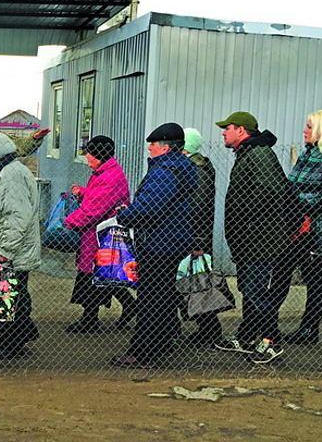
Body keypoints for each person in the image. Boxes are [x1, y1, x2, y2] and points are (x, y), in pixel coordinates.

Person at [111, 123, 196, 369]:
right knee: (163, 294)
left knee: (150, 298)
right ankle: (162, 341)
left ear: (165, 147)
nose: (149, 148)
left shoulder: (165, 171)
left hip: (159, 242)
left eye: (153, 144)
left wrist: (126, 216)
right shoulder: (184, 168)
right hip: (173, 240)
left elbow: (150, 207)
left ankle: (142, 351)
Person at [214, 111, 291, 365]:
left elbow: (269, 192)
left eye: (228, 128)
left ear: (242, 130)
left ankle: (271, 341)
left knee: (257, 291)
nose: (224, 132)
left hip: (259, 240)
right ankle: (248, 338)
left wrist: (245, 219)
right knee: (250, 289)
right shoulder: (249, 152)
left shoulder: (258, 154)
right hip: (251, 239)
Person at [271, 110, 322, 345]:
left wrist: (299, 204)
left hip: (318, 231)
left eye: (309, 126)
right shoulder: (307, 155)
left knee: (315, 280)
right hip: (295, 228)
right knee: (281, 274)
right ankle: (267, 322)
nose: (304, 130)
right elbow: (291, 188)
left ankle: (309, 329)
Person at [62, 135, 134, 333]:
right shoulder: (106, 172)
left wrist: (68, 222)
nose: (86, 157)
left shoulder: (107, 177)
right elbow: (100, 199)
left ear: (98, 155)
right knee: (104, 275)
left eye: (89, 153)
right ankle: (127, 306)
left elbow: (94, 210)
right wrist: (84, 192)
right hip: (100, 233)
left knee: (94, 276)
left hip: (99, 235)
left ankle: (90, 320)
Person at [0, 133, 41, 359]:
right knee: (15, 294)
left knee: (9, 297)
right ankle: (21, 334)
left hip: (13, 252)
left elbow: (17, 216)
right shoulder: (14, 171)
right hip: (16, 249)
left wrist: (5, 250)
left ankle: (11, 344)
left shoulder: (10, 176)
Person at [181, 127, 222, 346]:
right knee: (192, 281)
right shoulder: (200, 167)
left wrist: (197, 241)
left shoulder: (196, 171)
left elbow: (198, 208)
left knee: (196, 283)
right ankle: (206, 328)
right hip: (194, 235)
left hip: (194, 237)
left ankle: (209, 329)